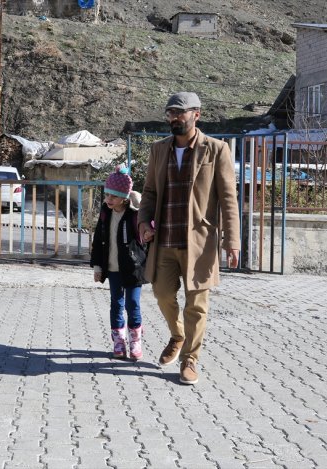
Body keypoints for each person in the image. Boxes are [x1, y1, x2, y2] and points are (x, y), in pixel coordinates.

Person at [137, 91, 240, 385]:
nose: (174, 118)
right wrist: (144, 221)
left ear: (197, 114)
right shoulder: (159, 150)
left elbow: (228, 198)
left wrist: (232, 240)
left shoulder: (216, 149)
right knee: (162, 294)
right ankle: (178, 335)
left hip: (200, 242)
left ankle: (190, 360)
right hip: (165, 239)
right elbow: (150, 192)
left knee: (196, 305)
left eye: (179, 113)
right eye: (170, 113)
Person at [90, 166, 148, 360]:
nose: (108, 200)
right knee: (116, 304)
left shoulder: (133, 215)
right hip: (113, 269)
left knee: (132, 304)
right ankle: (118, 342)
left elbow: (150, 226)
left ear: (124, 197)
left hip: (133, 269)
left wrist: (139, 204)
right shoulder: (105, 214)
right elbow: (98, 241)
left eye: (113, 197)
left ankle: (135, 341)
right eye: (107, 195)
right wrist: (98, 267)